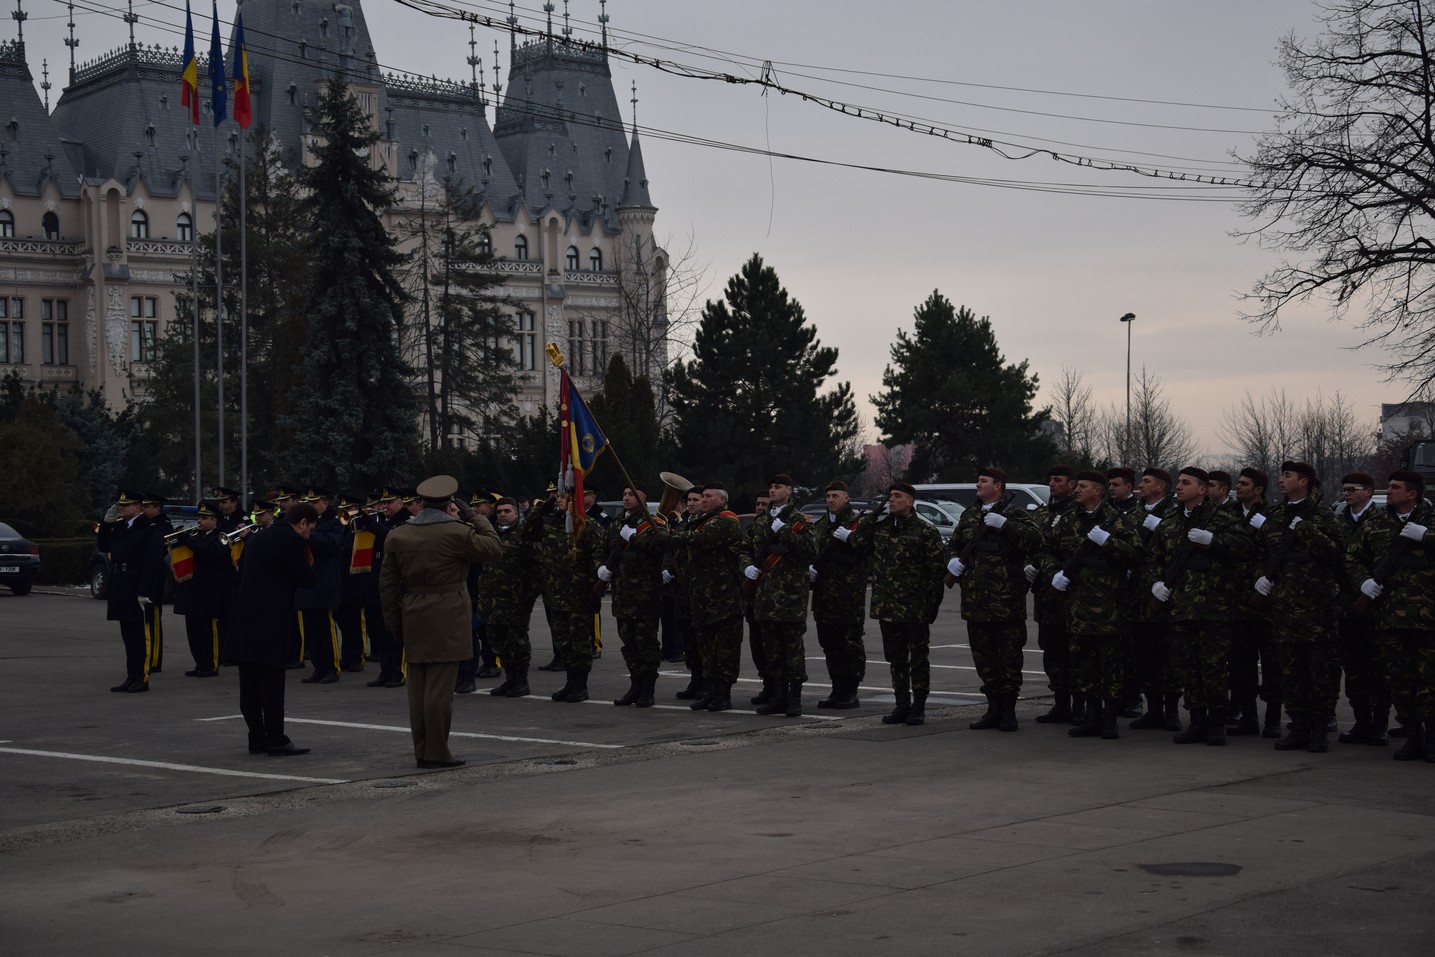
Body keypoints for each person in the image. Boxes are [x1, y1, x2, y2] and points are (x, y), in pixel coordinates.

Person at [380, 475, 501, 769]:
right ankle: (437, 751)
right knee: (440, 690)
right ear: (450, 504)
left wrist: (394, 623)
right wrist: (475, 517)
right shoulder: (456, 532)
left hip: (414, 612)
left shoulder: (398, 535)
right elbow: (494, 549)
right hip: (448, 612)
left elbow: (387, 585)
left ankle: (422, 749)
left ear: (420, 504)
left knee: (418, 687)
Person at [1148, 467, 1251, 745]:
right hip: (1181, 607)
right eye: (1179, 482)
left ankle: (1217, 723)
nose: (1179, 487)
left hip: (1214, 608)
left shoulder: (1222, 519)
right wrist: (1156, 582)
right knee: (1187, 667)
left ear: (1203, 490)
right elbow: (1154, 558)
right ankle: (1196, 721)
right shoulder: (1169, 522)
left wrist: (1214, 541)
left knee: (1214, 667)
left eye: (1185, 483)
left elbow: (1245, 547)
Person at [1041, 470, 1140, 739]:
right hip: (1076, 608)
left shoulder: (1115, 520)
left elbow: (1135, 555)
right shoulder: (1068, 520)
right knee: (1083, 665)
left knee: (1110, 667)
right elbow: (1047, 549)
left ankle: (1109, 719)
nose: (1077, 491)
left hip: (1109, 609)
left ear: (1098, 490)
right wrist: (1054, 573)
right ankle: (1090, 717)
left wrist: (1108, 542)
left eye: (1083, 487)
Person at [1253, 461, 1342, 753]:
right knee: (1289, 673)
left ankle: (1318, 730)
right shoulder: (1275, 515)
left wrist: (1307, 530)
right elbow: (1261, 553)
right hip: (1283, 611)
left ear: (1303, 481)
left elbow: (1337, 554)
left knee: (1318, 673)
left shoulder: (1322, 514)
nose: (1280, 480)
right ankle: (1298, 727)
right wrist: (1261, 580)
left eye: (1287, 476)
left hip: (1316, 611)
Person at [1346, 470, 1434, 761]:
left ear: (1413, 494)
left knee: (1429, 680)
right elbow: (1353, 556)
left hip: (1428, 619)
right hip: (1389, 618)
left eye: (1395, 487)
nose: (1389, 491)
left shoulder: (1430, 520)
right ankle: (1413, 736)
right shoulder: (1377, 524)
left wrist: (1427, 536)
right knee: (1399, 680)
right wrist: (1363, 581)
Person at [947, 466, 1041, 732]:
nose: (977, 484)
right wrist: (952, 560)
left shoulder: (1014, 513)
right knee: (984, 659)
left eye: (982, 481)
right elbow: (953, 544)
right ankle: (993, 708)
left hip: (1006, 602)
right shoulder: (970, 515)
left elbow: (1036, 541)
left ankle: (1008, 711)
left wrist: (1007, 526)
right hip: (975, 603)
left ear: (997, 486)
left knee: (1009, 659)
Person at [221, 503, 318, 755]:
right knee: (272, 683)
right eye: (310, 530)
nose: (309, 535)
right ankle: (276, 738)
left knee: (249, 683)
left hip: (244, 617)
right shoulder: (290, 540)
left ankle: (256, 738)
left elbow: (240, 572)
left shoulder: (258, 538)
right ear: (303, 523)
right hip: (270, 620)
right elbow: (306, 578)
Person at [854, 482, 945, 725]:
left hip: (914, 608)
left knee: (918, 659)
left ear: (910, 501)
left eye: (897, 496)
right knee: (895, 659)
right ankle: (901, 704)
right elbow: (857, 544)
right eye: (890, 496)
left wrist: (931, 607)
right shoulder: (881, 528)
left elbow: (936, 573)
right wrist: (871, 517)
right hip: (887, 607)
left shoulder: (925, 531)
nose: (891, 500)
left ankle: (919, 706)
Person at [667, 482, 747, 710]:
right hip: (702, 599)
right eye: (702, 496)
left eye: (708, 496)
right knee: (706, 649)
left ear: (721, 500)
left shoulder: (726, 521)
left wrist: (667, 536)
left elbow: (699, 539)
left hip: (724, 600)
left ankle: (724, 693)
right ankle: (709, 690)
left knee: (726, 650)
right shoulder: (699, 521)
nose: (703, 500)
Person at [744, 473, 817, 717]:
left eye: (778, 487)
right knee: (772, 652)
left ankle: (794, 698)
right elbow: (745, 548)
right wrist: (746, 566)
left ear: (790, 490)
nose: (773, 491)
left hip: (790, 599)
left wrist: (785, 532)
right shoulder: (762, 520)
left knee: (792, 652)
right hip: (765, 598)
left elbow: (810, 549)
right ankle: (777, 696)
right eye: (771, 487)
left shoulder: (799, 519)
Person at [526, 488, 605, 702]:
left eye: (562, 497)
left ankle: (580, 685)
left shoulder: (589, 526)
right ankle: (570, 682)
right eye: (557, 497)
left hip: (579, 596)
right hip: (555, 594)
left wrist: (597, 589)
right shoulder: (552, 523)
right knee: (563, 642)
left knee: (580, 643)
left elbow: (600, 560)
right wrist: (543, 508)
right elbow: (528, 531)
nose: (557, 499)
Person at [1331, 472, 1389, 746]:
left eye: (1352, 489)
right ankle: (1361, 721)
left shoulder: (1381, 522)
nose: (1347, 494)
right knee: (1353, 668)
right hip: (1347, 604)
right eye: (1344, 490)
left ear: (1368, 492)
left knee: (1377, 667)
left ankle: (1379, 723)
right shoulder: (1339, 521)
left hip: (1375, 605)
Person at [601, 482, 670, 708]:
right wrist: (603, 568)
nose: (627, 497)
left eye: (633, 494)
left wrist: (633, 538)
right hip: (622, 595)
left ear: (643, 499)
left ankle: (647, 689)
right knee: (628, 644)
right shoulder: (618, 522)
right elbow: (607, 549)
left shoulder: (653, 523)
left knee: (646, 644)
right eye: (625, 493)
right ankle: (635, 685)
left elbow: (659, 547)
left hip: (645, 595)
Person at [1224, 468, 1281, 738]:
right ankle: (1248, 718)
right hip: (1236, 601)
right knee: (1241, 666)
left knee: (1272, 665)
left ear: (1258, 489)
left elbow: (1278, 551)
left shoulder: (1274, 515)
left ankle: (1272, 719)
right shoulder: (1228, 514)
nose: (1239, 487)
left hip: (1265, 605)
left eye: (1245, 484)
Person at [1127, 468, 1184, 732]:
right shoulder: (1134, 515)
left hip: (1166, 598)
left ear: (1161, 487)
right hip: (1137, 597)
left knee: (1169, 657)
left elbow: (1177, 555)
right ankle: (1153, 709)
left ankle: (1171, 711)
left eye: (1147, 482)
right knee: (1144, 656)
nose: (1141, 485)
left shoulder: (1174, 514)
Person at [96, 489, 166, 693]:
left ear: (138, 508)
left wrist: (144, 591)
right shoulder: (120, 527)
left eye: (125, 505)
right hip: (121, 586)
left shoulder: (150, 529)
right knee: (128, 635)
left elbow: (151, 562)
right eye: (120, 505)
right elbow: (104, 545)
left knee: (140, 636)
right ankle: (130, 676)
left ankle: (142, 677)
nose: (121, 508)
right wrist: (107, 524)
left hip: (137, 588)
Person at [809, 480, 869, 709]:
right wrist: (811, 569)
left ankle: (850, 690)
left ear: (846, 499)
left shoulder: (858, 524)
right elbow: (813, 552)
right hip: (824, 598)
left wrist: (850, 539)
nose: (831, 500)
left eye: (835, 496)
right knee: (830, 645)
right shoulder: (822, 525)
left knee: (850, 645)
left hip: (848, 597)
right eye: (828, 496)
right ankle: (836, 688)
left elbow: (866, 551)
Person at [1028, 464, 1079, 724]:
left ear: (1072, 485)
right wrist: (1030, 564)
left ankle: (1080, 705)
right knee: (1051, 650)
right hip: (1045, 595)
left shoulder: (1078, 514)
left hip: (1070, 596)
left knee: (1075, 651)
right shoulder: (1041, 514)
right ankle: (1061, 703)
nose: (1052, 484)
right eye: (1050, 479)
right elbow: (1033, 546)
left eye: (1058, 480)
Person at [479, 496, 538, 698]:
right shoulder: (491, 534)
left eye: (507, 511)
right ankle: (509, 679)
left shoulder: (524, 535)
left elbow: (535, 569)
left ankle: (521, 681)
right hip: (491, 600)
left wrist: (528, 596)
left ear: (516, 513)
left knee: (517, 643)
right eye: (499, 512)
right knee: (498, 642)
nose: (503, 515)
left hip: (515, 601)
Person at [173, 500, 234, 677]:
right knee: (194, 631)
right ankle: (200, 662)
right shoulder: (195, 536)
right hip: (193, 591)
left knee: (209, 632)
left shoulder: (221, 537)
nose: (199, 521)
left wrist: (189, 542)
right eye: (199, 517)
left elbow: (211, 554)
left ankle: (211, 664)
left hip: (211, 592)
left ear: (214, 520)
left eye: (204, 518)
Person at [295, 487, 345, 684]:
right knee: (311, 627)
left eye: (315, 502)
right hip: (307, 579)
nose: (311, 506)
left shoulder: (335, 522)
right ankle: (318, 666)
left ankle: (332, 667)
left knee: (325, 627)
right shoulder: (302, 523)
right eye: (308, 503)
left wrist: (311, 533)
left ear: (325, 503)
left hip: (325, 579)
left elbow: (332, 546)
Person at [138, 491, 172, 674]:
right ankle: (144, 656)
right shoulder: (145, 524)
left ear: (157, 508)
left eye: (147, 506)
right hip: (143, 577)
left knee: (153, 621)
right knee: (143, 622)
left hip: (155, 578)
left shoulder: (163, 524)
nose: (143, 509)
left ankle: (154, 660)